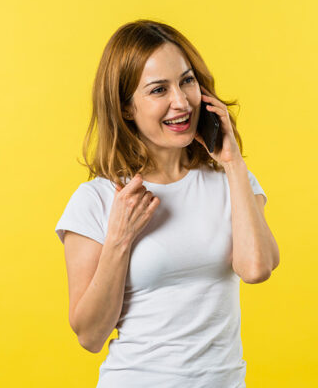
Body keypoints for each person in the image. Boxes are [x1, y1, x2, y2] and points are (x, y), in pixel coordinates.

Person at [54, 19, 280, 387]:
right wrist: (119, 239)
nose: (181, 102)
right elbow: (90, 336)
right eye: (159, 89)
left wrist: (233, 161)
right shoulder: (96, 200)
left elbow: (256, 268)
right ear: (126, 108)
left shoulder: (232, 181)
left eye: (187, 81)